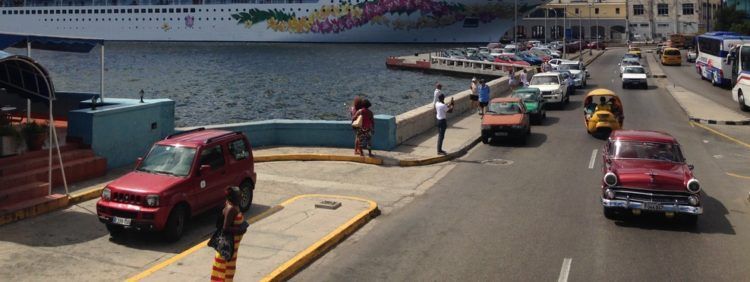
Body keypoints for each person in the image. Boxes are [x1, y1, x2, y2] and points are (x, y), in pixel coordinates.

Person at [211, 186, 247, 282]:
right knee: (225, 273)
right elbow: (225, 228)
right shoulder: (231, 209)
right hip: (228, 248)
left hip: (234, 247)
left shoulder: (235, 205)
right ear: (234, 197)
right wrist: (240, 230)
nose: (242, 196)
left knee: (229, 273)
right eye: (240, 195)